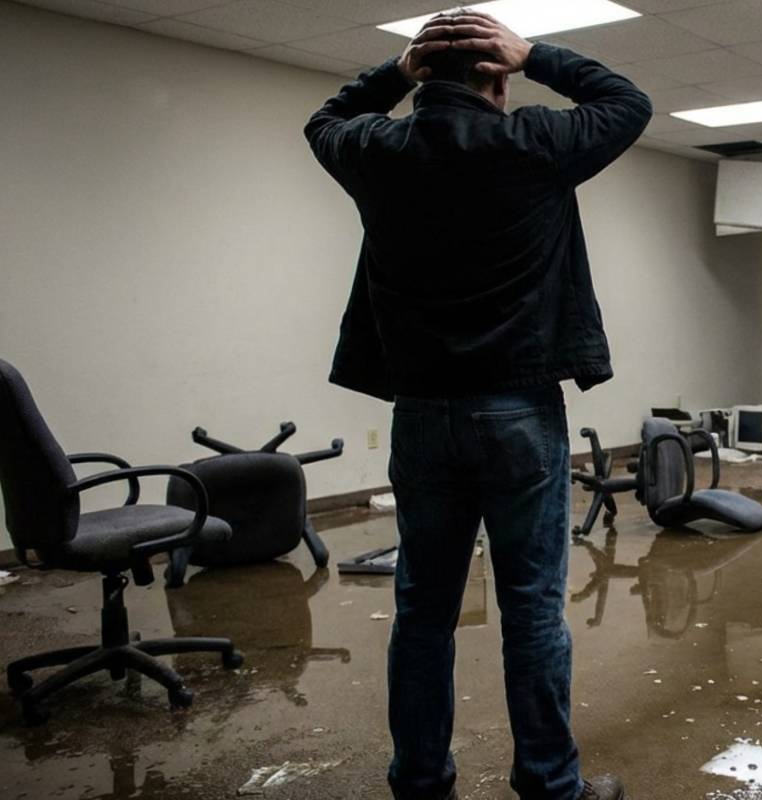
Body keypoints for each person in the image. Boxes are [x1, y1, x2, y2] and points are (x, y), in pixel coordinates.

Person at [304, 11, 650, 800]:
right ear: (499, 77)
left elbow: (323, 121)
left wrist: (395, 72)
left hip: (422, 415)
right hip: (518, 411)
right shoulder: (534, 142)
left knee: (423, 613)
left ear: (423, 78)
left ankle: (421, 781)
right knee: (532, 611)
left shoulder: (379, 152)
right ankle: (550, 784)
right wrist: (538, 55)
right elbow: (628, 104)